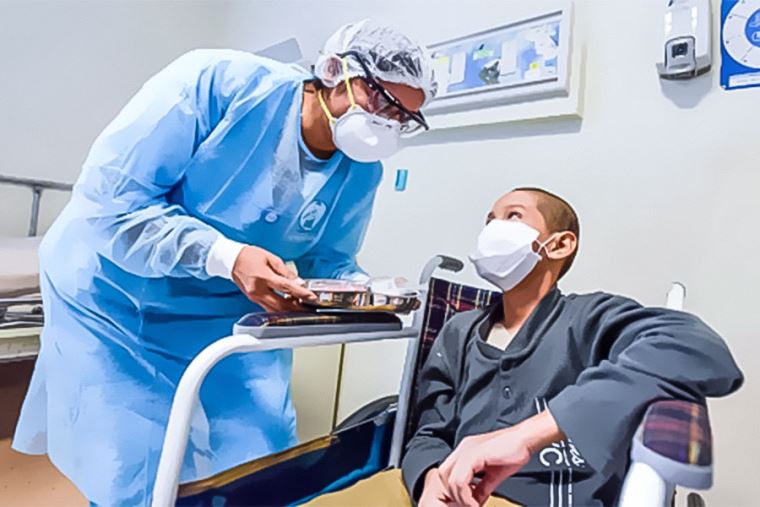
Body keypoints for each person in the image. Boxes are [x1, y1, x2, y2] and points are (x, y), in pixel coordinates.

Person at [12, 20, 436, 506]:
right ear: (335, 71)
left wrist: (368, 290)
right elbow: (112, 203)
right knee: (136, 472)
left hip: (222, 314)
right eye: (380, 98)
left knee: (263, 450)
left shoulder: (362, 172)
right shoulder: (219, 84)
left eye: (405, 116)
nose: (387, 122)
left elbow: (331, 260)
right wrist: (226, 256)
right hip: (113, 298)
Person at [306, 188, 743, 507]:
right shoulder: (459, 330)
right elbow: (429, 432)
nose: (494, 227)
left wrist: (526, 435)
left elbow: (699, 349)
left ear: (560, 243)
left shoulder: (588, 318)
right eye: (489, 218)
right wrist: (428, 481)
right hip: (435, 489)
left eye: (512, 215)